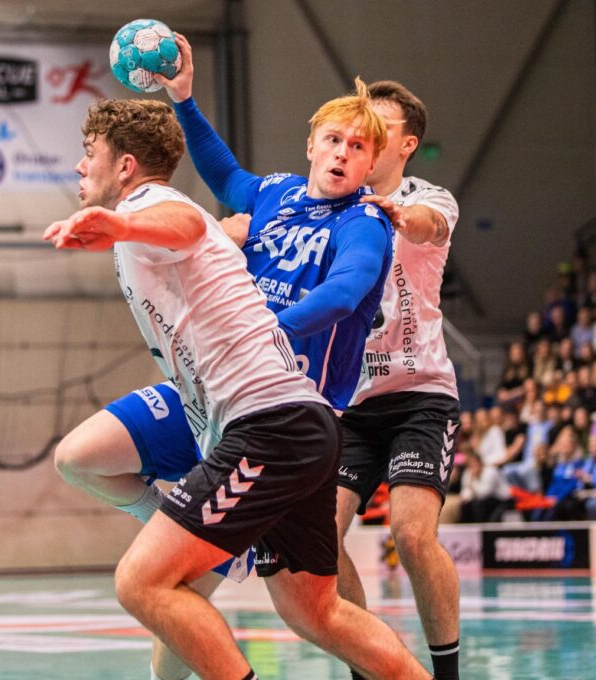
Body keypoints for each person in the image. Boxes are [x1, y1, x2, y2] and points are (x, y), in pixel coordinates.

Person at [45, 98, 430, 678]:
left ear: (125, 166)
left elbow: (186, 223)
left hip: (273, 418)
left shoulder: (360, 220)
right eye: (333, 139)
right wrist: (184, 100)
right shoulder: (275, 196)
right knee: (315, 611)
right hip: (248, 414)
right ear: (310, 145)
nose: (79, 165)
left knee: (146, 581)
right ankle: (196, 530)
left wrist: (122, 224)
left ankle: (206, 538)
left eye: (358, 147)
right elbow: (224, 180)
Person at [333, 80, 463, 680]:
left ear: (407, 143)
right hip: (351, 404)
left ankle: (447, 674)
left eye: (379, 126)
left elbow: (428, 226)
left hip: (421, 397)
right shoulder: (334, 201)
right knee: (319, 539)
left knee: (411, 536)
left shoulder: (427, 197)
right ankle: (372, 668)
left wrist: (397, 215)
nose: (363, 133)